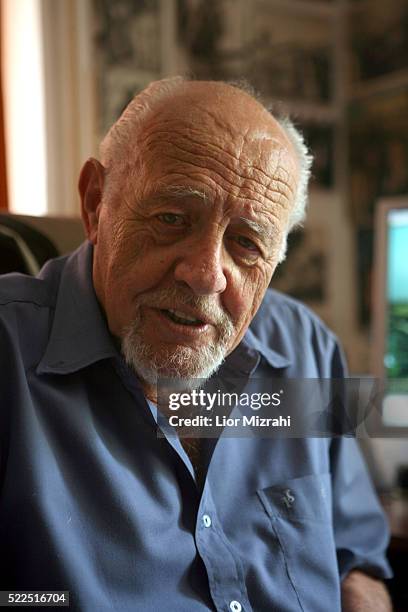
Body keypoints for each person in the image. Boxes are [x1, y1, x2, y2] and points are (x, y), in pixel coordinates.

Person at [0, 78, 392, 611]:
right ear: (96, 203)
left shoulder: (310, 350)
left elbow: (357, 565)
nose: (207, 274)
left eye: (246, 243)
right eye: (171, 219)